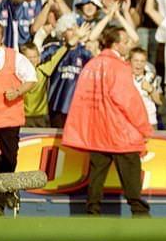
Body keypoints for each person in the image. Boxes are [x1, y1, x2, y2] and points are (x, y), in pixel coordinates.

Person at [62, 26, 152, 216]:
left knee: (96, 174)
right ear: (116, 45)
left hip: (97, 130)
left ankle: (92, 211)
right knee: (131, 173)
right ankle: (138, 210)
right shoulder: (118, 67)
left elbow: (81, 99)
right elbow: (129, 100)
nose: (128, 45)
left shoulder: (91, 65)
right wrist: (144, 128)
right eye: (125, 42)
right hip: (119, 131)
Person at [0, 21, 38, 215]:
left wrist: (18, 91)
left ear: (1, 38)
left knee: (9, 158)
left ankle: (8, 190)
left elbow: (31, 78)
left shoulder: (15, 58)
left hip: (9, 118)